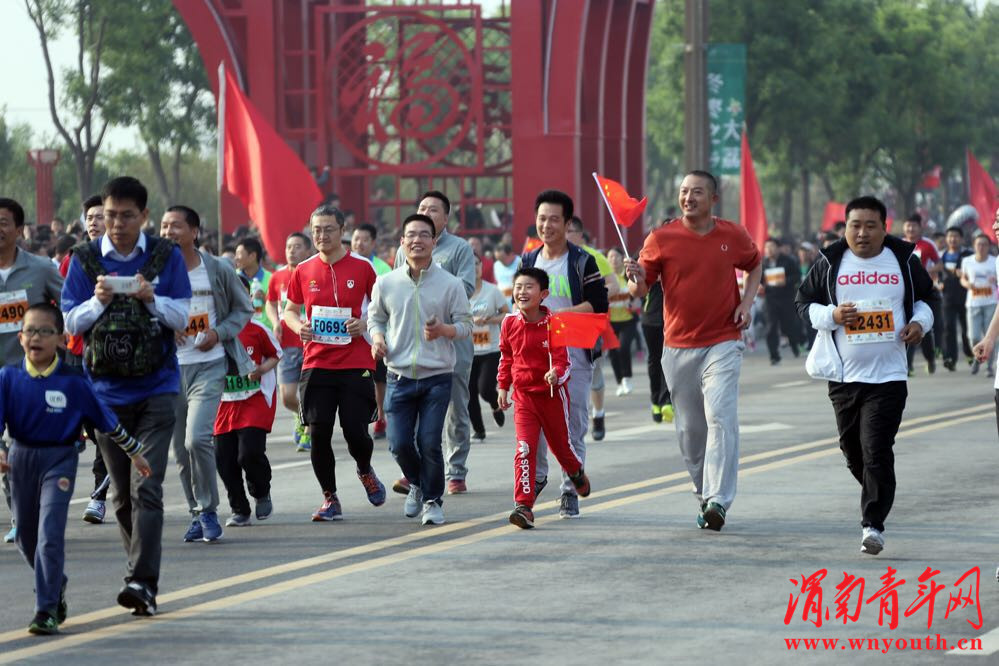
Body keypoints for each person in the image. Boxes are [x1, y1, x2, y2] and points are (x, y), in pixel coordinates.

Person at [61, 176, 192, 616]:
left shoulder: (165, 256)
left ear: (144, 216)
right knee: (120, 496)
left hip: (158, 389)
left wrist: (150, 296)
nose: (117, 224)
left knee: (147, 487)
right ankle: (138, 572)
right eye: (111, 215)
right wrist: (99, 300)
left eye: (127, 216)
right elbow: (70, 323)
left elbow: (182, 316)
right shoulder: (83, 259)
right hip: (104, 397)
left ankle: (142, 581)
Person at [795, 195, 936, 555]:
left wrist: (919, 323)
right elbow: (803, 302)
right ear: (845, 228)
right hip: (844, 377)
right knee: (853, 452)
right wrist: (832, 316)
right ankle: (879, 488)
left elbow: (928, 299)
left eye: (870, 226)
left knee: (876, 449)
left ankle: (872, 525)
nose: (862, 233)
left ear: (884, 228)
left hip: (889, 376)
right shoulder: (831, 261)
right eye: (855, 225)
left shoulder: (903, 260)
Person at [0, 304, 151, 634]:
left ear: (61, 339)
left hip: (60, 460)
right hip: (21, 459)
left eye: (45, 331)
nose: (36, 337)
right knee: (26, 538)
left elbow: (107, 420)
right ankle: (56, 583)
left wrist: (135, 452)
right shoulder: (8, 377)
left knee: (49, 536)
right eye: (30, 331)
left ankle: (46, 610)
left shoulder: (75, 382)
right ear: (20, 337)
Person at [625, 170, 761, 532]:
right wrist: (634, 277)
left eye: (697, 192)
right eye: (684, 191)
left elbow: (754, 264)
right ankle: (704, 493)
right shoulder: (661, 238)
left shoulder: (732, 235)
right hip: (678, 346)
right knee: (690, 429)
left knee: (720, 416)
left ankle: (718, 499)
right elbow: (640, 290)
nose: (689, 198)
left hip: (723, 340)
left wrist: (746, 302)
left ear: (713, 199)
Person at [283, 205, 386, 522]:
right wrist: (297, 327)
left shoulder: (364, 267)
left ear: (342, 230)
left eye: (328, 229)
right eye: (316, 230)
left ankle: (365, 469)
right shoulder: (303, 270)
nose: (322, 235)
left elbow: (382, 309)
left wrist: (364, 324)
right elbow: (290, 310)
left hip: (355, 362)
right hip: (317, 363)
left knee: (356, 433)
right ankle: (330, 497)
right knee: (318, 433)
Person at [370, 214, 472, 526]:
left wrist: (443, 330)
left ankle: (432, 500)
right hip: (398, 376)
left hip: (437, 377)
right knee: (399, 443)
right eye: (411, 235)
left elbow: (466, 326)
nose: (417, 240)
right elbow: (376, 318)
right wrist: (377, 339)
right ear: (402, 242)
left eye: (424, 235)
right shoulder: (386, 283)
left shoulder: (450, 284)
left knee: (429, 442)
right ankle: (417, 482)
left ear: (434, 242)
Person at [161, 205, 255, 543]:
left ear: (194, 232)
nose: (168, 232)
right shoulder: (154, 271)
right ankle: (195, 514)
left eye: (176, 226)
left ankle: (209, 509)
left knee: (196, 439)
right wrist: (164, 327)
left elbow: (243, 309)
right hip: (169, 370)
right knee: (180, 451)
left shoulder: (216, 268)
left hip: (210, 364)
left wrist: (218, 333)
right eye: (164, 226)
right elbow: (145, 310)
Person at [521, 191, 608, 519]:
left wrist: (558, 317)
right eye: (541, 219)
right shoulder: (529, 260)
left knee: (572, 425)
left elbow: (599, 304)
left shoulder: (582, 261)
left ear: (567, 223)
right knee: (535, 425)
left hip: (574, 354)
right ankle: (537, 478)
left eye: (554, 219)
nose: (546, 225)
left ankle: (569, 489)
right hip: (535, 356)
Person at [392, 191, 476, 495]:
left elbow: (467, 288)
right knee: (414, 409)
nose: (426, 212)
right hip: (414, 342)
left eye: (433, 209)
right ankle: (415, 470)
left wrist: (432, 288)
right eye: (421, 207)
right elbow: (396, 288)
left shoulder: (459, 249)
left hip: (452, 340)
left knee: (456, 408)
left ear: (446, 217)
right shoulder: (404, 249)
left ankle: (456, 470)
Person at [496, 267, 590, 529]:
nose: (522, 292)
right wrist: (503, 387)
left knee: (561, 449)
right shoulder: (509, 323)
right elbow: (506, 357)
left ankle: (575, 471)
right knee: (524, 449)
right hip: (524, 399)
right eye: (518, 287)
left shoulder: (554, 324)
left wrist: (555, 374)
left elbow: (565, 362)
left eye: (529, 287)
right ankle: (524, 507)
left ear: (543, 294)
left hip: (552, 397)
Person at [0, 198, 64, 544]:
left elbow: (67, 304)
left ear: (18, 229)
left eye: (3, 222)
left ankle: (30, 512)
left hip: (31, 376)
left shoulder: (40, 269)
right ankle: (20, 515)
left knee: (22, 448)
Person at [214, 277, 282, 527]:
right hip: (223, 402)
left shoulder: (257, 329)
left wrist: (261, 369)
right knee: (224, 459)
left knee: (249, 453)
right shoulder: (213, 330)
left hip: (254, 399)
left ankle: (261, 491)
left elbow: (276, 355)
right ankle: (239, 509)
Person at [565, 218, 617, 440]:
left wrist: (593, 297)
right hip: (561, 325)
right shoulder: (552, 257)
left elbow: (614, 285)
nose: (565, 235)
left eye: (570, 231)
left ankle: (599, 414)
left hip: (589, 324)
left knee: (593, 371)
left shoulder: (593, 257)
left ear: (580, 234)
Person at [265, 232, 314, 451]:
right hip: (286, 344)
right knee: (287, 397)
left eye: (297, 247)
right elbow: (270, 302)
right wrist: (276, 322)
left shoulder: (314, 272)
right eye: (288, 247)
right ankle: (302, 416)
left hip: (311, 344)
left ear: (308, 250)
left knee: (310, 392)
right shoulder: (277, 276)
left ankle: (308, 433)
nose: (292, 251)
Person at [350, 223, 392, 440]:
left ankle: (380, 415)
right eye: (356, 239)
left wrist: (369, 324)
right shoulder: (346, 265)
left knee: (378, 379)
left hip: (377, 333)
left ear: (373, 242)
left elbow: (387, 303)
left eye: (365, 239)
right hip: (352, 335)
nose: (359, 243)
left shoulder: (382, 269)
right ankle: (362, 417)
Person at [468, 250, 510, 440]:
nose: (474, 268)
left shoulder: (492, 290)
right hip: (467, 350)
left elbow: (506, 313)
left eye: (477, 263)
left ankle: (494, 404)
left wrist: (490, 319)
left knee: (485, 389)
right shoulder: (458, 292)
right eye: (470, 264)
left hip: (491, 349)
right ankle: (479, 430)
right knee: (470, 393)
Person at [901, 214, 941, 374]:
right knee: (906, 324)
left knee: (924, 328)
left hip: (923, 291)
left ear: (920, 227)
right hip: (905, 292)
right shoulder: (898, 245)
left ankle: (930, 358)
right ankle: (907, 365)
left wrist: (924, 271)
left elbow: (939, 264)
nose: (910, 229)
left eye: (914, 226)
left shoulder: (928, 244)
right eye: (908, 226)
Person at [761, 237, 804, 365]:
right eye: (767, 247)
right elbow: (758, 278)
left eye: (772, 247)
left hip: (786, 298)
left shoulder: (788, 261)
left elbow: (797, 276)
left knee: (788, 326)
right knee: (771, 327)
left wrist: (785, 281)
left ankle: (795, 345)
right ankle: (774, 355)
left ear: (778, 248)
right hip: (770, 299)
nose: (769, 250)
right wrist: (759, 285)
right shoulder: (763, 263)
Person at [960, 233, 998, 377]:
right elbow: (963, 278)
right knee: (973, 336)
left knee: (990, 336)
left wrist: (995, 280)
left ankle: (989, 366)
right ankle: (977, 357)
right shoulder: (967, 261)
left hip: (991, 303)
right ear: (974, 246)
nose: (981, 247)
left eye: (984, 244)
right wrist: (967, 284)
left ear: (989, 246)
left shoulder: (995, 261)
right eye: (979, 244)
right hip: (973, 303)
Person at [606, 247, 639, 395]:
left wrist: (636, 301)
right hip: (610, 322)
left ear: (622, 258)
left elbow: (638, 292)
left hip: (628, 320)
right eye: (610, 257)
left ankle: (627, 378)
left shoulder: (628, 275)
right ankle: (619, 382)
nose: (613, 259)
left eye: (616, 256)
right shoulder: (605, 278)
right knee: (613, 352)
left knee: (624, 348)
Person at [939, 227, 973, 371]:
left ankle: (970, 353)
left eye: (956, 236)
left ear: (961, 239)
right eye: (950, 236)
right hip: (947, 297)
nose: (953, 239)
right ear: (946, 239)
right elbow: (937, 274)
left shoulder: (968, 255)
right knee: (948, 328)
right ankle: (950, 358)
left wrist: (965, 275)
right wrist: (938, 283)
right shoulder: (941, 256)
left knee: (966, 328)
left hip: (966, 296)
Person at [235, 237, 272, 328]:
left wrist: (266, 300)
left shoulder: (270, 278)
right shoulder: (233, 277)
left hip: (265, 330)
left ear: (252, 256)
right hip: (241, 330)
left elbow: (278, 307)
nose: (236, 258)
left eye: (239, 254)